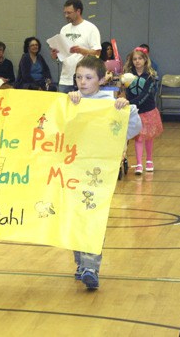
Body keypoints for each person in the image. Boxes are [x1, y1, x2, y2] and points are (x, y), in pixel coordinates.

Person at [67, 56, 141, 290]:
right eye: (79, 77)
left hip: (99, 173)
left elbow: (132, 129)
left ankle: (91, 266)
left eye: (88, 77)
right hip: (73, 170)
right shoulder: (72, 101)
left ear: (101, 79)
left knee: (93, 217)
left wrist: (126, 111)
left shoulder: (110, 102)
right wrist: (69, 104)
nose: (82, 82)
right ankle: (80, 262)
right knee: (76, 217)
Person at [123, 48, 163, 174]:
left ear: (145, 60)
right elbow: (128, 92)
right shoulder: (129, 75)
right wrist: (127, 101)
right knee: (139, 138)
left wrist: (132, 103)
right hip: (135, 111)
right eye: (134, 59)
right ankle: (139, 163)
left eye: (140, 58)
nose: (137, 61)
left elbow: (146, 94)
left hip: (149, 110)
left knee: (149, 137)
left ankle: (149, 160)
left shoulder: (151, 76)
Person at [51, 0, 102, 93]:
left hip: (83, 79)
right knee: (64, 107)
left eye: (69, 13)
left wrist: (81, 51)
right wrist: (55, 55)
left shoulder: (91, 28)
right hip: (65, 79)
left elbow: (97, 53)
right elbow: (62, 55)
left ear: (78, 11)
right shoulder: (64, 29)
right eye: (65, 13)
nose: (66, 15)